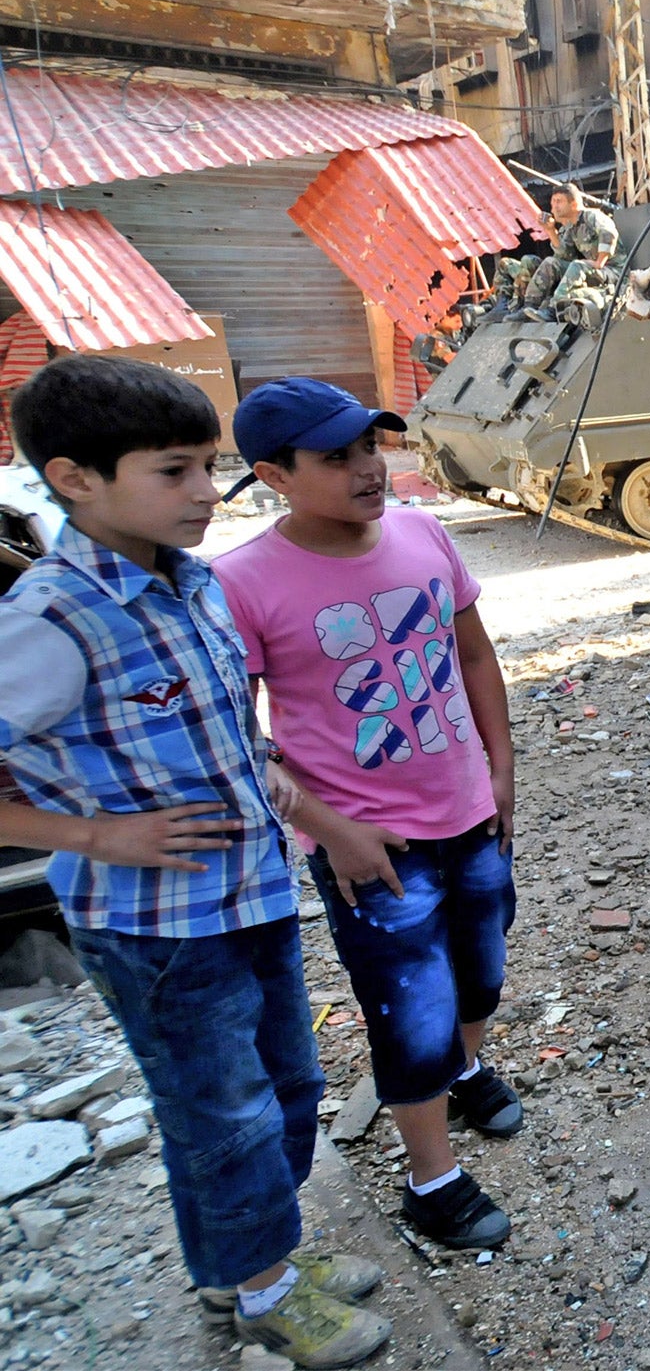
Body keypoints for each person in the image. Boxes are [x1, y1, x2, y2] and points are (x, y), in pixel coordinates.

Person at [0, 356, 390, 1368]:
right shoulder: (50, 619)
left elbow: (239, 743)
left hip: (250, 897)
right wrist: (98, 837)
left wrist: (325, 823)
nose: (208, 493)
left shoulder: (197, 585)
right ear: (75, 478)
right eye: (174, 471)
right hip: (157, 932)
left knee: (286, 1093)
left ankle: (244, 1263)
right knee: (225, 1116)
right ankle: (262, 1294)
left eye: (209, 468)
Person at [214, 379, 522, 1252]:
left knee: (483, 969)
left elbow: (473, 654)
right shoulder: (239, 584)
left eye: (371, 448)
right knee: (408, 1007)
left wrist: (502, 769)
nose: (367, 469)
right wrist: (331, 829)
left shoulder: (424, 534)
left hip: (470, 812)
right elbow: (238, 734)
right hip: (371, 845)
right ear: (274, 474)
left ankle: (466, 1067)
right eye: (337, 457)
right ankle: (432, 1180)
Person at [520, 184, 619, 321]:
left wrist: (599, 262)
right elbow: (564, 255)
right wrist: (550, 230)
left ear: (573, 204)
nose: (554, 206)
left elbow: (608, 233)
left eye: (559, 201)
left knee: (577, 265)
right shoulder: (571, 226)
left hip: (612, 271)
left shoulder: (592, 216)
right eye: (553, 202)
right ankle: (528, 306)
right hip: (593, 270)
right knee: (551, 262)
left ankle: (553, 309)